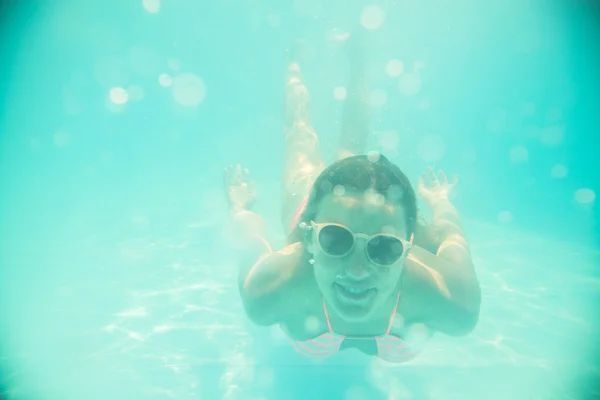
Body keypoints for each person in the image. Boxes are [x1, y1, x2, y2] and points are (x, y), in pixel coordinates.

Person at [223, 31, 481, 362]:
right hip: (310, 200)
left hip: (358, 225)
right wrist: (240, 208)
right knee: (301, 138)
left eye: (384, 247)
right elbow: (251, 236)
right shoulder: (269, 289)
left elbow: (450, 236)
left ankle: (357, 58)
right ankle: (295, 64)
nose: (357, 272)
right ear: (310, 236)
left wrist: (441, 200)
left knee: (348, 145)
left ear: (410, 244)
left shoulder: (453, 302)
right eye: (335, 239)